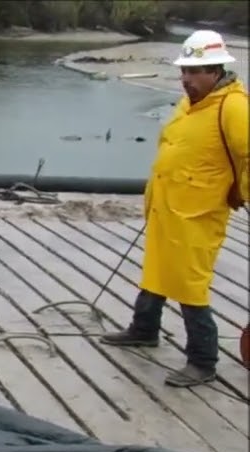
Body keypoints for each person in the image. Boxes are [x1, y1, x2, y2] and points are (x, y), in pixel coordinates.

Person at [101, 29, 247, 388]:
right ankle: (144, 329)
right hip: (167, 206)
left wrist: (240, 192)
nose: (185, 79)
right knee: (156, 271)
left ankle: (203, 360)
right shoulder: (190, 102)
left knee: (189, 286)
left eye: (194, 72)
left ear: (215, 71)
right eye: (184, 71)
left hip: (198, 213)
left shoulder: (234, 107)